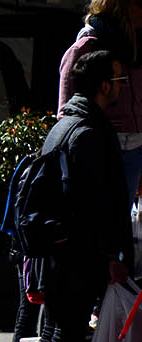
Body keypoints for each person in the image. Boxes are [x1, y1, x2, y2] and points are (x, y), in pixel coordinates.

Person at [25, 50, 133, 342]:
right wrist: (109, 255)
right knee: (63, 339)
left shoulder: (65, 124)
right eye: (120, 80)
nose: (123, 87)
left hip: (58, 251)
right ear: (104, 85)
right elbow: (93, 203)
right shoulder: (88, 131)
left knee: (52, 337)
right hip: (76, 254)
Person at [59, 0, 142, 204]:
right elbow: (65, 113)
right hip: (99, 150)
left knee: (120, 224)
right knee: (100, 223)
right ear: (123, 7)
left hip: (136, 150)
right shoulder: (86, 47)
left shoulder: (137, 47)